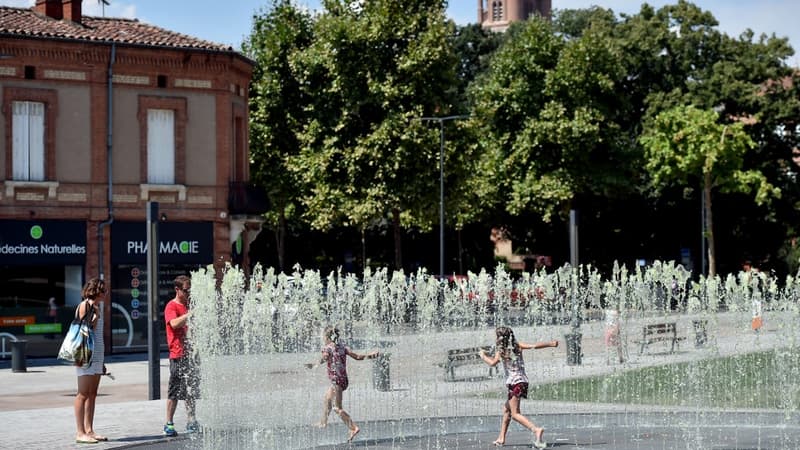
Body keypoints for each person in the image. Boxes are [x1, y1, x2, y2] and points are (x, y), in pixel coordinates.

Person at [479, 326, 558, 448]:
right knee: (507, 410)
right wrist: (551, 344)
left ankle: (536, 429)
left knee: (515, 414)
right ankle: (501, 438)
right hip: (522, 382)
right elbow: (534, 346)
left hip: (515, 384)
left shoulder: (501, 350)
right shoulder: (517, 346)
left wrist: (483, 355)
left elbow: (493, 363)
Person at [308, 326, 379, 443]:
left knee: (337, 408)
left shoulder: (327, 348)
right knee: (327, 399)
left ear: (327, 337)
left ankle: (353, 427)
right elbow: (357, 357)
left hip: (336, 381)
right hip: (343, 380)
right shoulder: (342, 347)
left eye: (323, 336)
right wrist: (371, 355)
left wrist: (314, 365)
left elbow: (325, 358)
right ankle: (323, 422)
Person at [163, 275, 200, 437]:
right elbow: (174, 324)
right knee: (175, 391)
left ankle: (192, 420)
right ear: (177, 289)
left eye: (190, 290)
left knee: (191, 390)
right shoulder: (171, 306)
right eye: (186, 290)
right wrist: (191, 314)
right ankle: (169, 423)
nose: (188, 293)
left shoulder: (189, 305)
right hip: (177, 354)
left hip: (191, 354)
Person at [74, 278, 107, 444]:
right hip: (85, 355)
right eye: (103, 290)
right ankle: (80, 432)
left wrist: (102, 360)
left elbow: (97, 334)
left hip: (97, 355)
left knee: (92, 394)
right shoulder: (84, 305)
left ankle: (90, 430)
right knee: (82, 394)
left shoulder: (96, 307)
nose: (105, 293)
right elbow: (83, 330)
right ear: (96, 291)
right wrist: (95, 316)